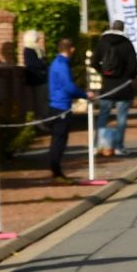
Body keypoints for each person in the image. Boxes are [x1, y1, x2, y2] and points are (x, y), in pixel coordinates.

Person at [92, 21, 137, 158]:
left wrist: (103, 73)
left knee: (103, 116)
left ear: (111, 28)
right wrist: (128, 77)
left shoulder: (103, 42)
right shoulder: (127, 44)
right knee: (121, 118)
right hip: (123, 86)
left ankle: (98, 145)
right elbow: (133, 67)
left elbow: (94, 61)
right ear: (122, 29)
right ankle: (118, 146)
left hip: (107, 86)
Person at [44, 38, 86, 182]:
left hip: (56, 105)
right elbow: (69, 87)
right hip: (61, 107)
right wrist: (85, 95)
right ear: (71, 49)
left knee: (57, 139)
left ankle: (56, 170)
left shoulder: (56, 62)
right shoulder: (62, 65)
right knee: (59, 141)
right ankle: (56, 172)